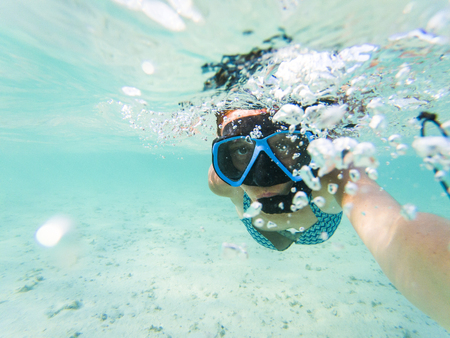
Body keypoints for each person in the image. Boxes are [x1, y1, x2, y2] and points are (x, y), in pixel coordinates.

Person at [208, 106, 450, 331]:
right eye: (241, 149)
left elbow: (395, 228)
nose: (262, 176)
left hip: (317, 228)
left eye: (284, 146)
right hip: (266, 235)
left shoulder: (331, 172)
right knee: (278, 242)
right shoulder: (222, 183)